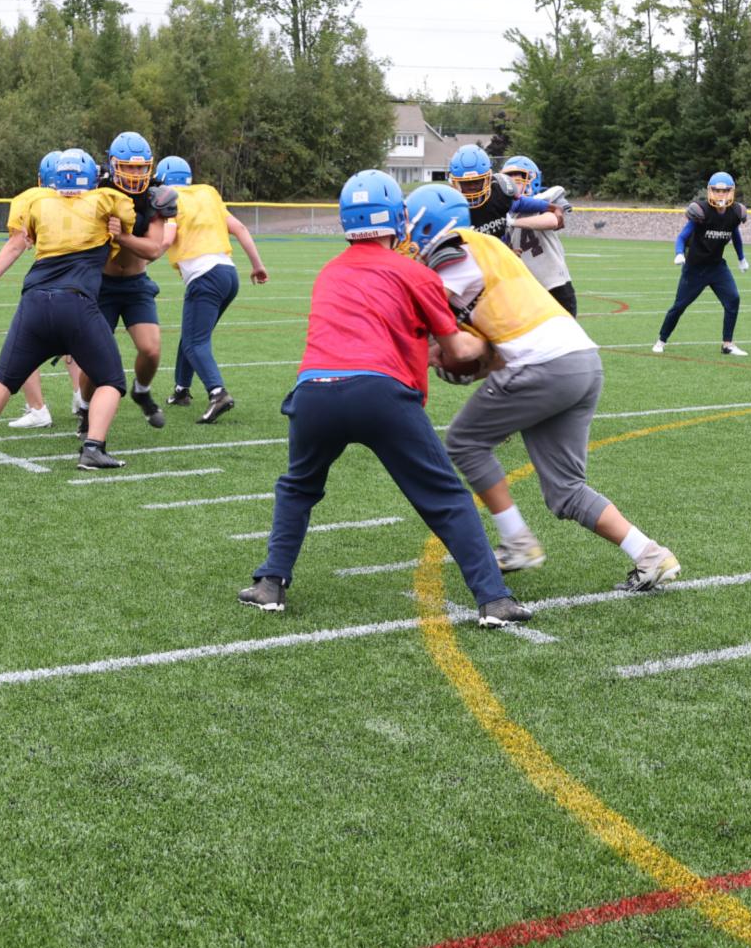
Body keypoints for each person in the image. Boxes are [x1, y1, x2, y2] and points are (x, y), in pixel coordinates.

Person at [238, 170, 531, 627]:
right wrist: (495, 344)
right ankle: (493, 600)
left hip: (314, 391)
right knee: (445, 497)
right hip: (379, 392)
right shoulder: (414, 273)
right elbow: (457, 351)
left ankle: (270, 583)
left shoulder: (329, 272)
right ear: (398, 218)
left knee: (297, 486)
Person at [404, 184, 680, 589]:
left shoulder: (454, 258)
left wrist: (431, 350)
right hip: (581, 360)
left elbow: (421, 318)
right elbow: (494, 347)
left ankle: (517, 541)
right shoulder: (489, 248)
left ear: (430, 226)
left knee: (464, 441)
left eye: (410, 229)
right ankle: (651, 554)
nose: (407, 239)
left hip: (543, 363)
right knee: (565, 491)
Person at [0, 148, 155, 471]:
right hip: (77, 304)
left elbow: (17, 242)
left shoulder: (36, 201)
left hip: (35, 304)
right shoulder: (106, 200)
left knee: (3, 379)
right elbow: (127, 223)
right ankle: (93, 448)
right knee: (111, 380)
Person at [74, 131, 179, 434]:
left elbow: (154, 248)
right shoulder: (96, 190)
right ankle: (84, 407)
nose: (134, 173)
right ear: (112, 164)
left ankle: (141, 391)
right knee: (94, 357)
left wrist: (122, 237)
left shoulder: (155, 196)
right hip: (101, 285)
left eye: (140, 167)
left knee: (152, 349)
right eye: (128, 166)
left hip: (135, 284)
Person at [156, 156, 269, 424]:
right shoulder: (207, 193)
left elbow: (167, 238)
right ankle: (181, 389)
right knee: (192, 335)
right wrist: (257, 265)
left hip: (204, 276)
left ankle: (218, 393)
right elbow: (239, 228)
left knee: (195, 342)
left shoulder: (169, 198)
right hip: (228, 274)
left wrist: (143, 257)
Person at [0, 152, 85, 431]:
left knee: (25, 344)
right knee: (75, 343)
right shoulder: (89, 198)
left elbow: (17, 244)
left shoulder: (32, 199)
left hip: (47, 283)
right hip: (83, 283)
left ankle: (37, 409)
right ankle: (82, 397)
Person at [653, 171, 750, 356]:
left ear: (731, 192)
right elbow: (682, 237)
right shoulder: (701, 211)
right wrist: (679, 253)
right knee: (679, 306)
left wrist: (741, 258)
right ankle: (661, 340)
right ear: (710, 191)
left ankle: (727, 344)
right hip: (695, 268)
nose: (720, 195)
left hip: (717, 267)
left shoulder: (735, 213)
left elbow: (735, 235)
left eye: (724, 191)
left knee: (733, 299)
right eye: (717, 191)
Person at [498, 154, 578, 315]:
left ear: (532, 180)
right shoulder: (503, 210)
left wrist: (513, 222)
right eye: (508, 180)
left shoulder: (543, 200)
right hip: (527, 292)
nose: (512, 185)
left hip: (554, 286)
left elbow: (553, 221)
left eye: (517, 179)